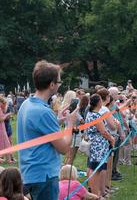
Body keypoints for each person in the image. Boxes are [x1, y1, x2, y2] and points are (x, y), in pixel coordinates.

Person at [17, 60, 77, 200]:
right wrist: (69, 124)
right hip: (44, 176)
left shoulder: (27, 104)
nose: (59, 85)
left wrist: (57, 120)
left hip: (29, 172)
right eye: (59, 82)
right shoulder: (43, 112)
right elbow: (63, 147)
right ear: (51, 84)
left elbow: (37, 129)